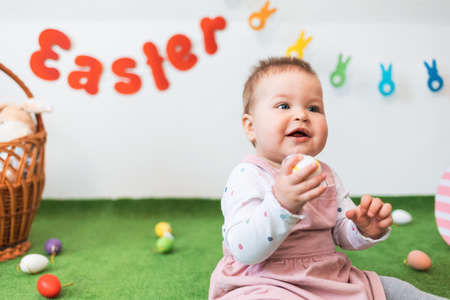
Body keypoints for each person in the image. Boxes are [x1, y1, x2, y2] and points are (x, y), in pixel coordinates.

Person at [209, 57, 447, 300]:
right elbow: (245, 250)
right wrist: (281, 203)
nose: (301, 115)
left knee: (395, 290)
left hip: (328, 278)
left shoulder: (326, 175)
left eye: (313, 108)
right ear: (250, 127)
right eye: (283, 106)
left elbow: (341, 232)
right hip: (265, 282)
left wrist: (363, 229)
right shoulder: (247, 175)